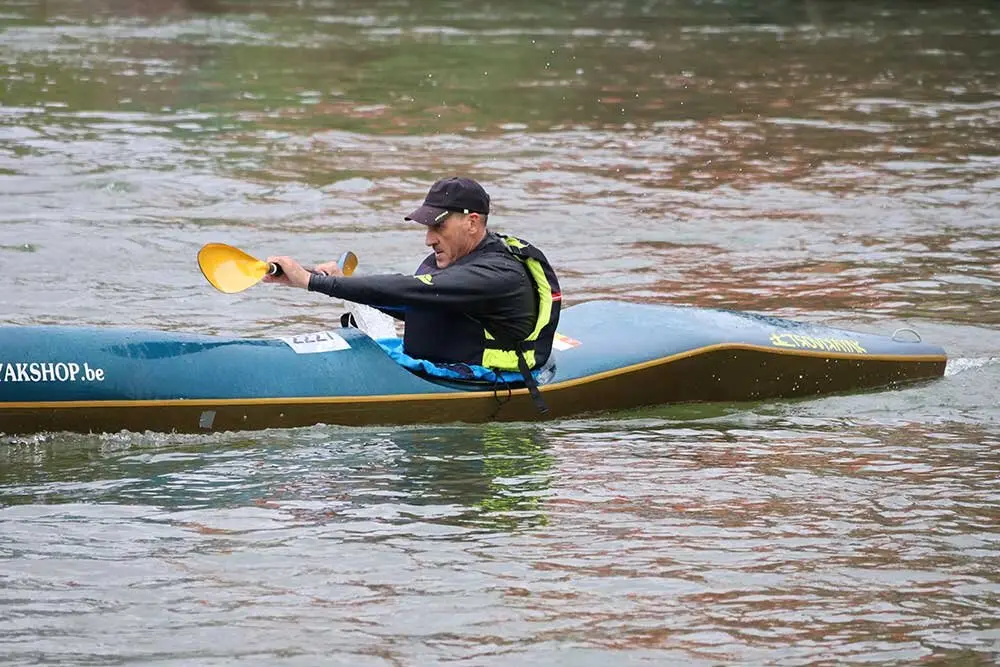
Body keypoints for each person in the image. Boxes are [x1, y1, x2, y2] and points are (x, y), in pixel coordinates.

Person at [264, 176, 561, 411]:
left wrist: (310, 282)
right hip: (440, 367)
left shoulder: (496, 273)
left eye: (438, 226)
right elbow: (413, 302)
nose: (429, 239)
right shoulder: (454, 259)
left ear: (472, 222)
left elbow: (408, 288)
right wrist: (332, 281)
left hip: (484, 380)